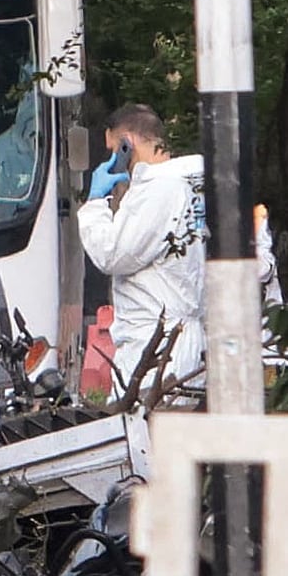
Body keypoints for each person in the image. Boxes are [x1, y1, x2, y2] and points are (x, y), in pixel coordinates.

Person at [81, 104, 213, 400]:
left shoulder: (158, 190)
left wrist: (94, 203)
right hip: (181, 339)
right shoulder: (194, 183)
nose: (113, 160)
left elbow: (111, 253)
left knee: (144, 437)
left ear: (128, 142)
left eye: (114, 149)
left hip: (155, 345)